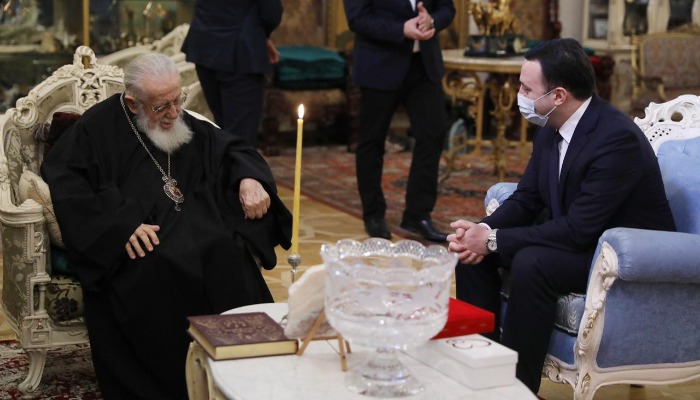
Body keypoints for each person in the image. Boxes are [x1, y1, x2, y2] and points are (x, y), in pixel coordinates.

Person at [41, 53, 292, 400]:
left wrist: (249, 178)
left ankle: (245, 373)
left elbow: (231, 148)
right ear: (133, 103)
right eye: (161, 107)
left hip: (198, 223)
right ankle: (174, 384)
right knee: (161, 265)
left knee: (227, 252)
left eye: (178, 100)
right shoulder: (96, 128)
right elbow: (66, 180)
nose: (174, 113)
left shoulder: (180, 119)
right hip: (141, 237)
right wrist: (119, 227)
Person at [447, 38, 676, 396]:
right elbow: (527, 198)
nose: (519, 96)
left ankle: (516, 390)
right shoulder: (551, 127)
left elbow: (579, 229)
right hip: (581, 238)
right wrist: (482, 230)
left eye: (526, 89)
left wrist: (493, 240)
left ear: (558, 95)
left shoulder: (616, 139)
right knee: (471, 257)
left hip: (623, 255)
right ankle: (483, 375)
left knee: (532, 262)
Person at [344, 0, 455, 242]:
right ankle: (373, 214)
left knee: (433, 134)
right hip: (379, 64)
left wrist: (432, 20)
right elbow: (357, 18)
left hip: (423, 65)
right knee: (372, 141)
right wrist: (401, 29)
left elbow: (447, 8)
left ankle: (418, 214)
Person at [181, 0, 283, 145]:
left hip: (205, 45)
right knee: (240, 142)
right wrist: (259, 35)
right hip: (239, 54)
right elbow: (271, 14)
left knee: (223, 135)